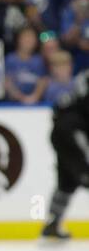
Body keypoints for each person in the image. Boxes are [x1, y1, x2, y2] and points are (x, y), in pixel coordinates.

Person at [40, 65, 89, 240]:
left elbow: (58, 108)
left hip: (60, 131)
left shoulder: (83, 76)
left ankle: (53, 223)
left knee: (67, 180)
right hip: (72, 132)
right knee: (85, 175)